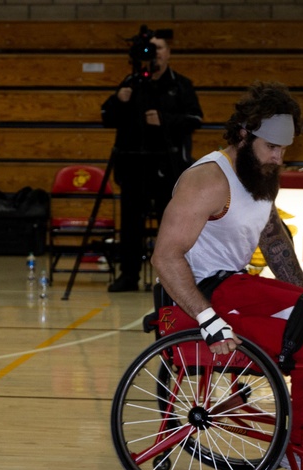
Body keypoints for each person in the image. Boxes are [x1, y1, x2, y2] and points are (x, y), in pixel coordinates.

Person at [152, 81, 303, 470]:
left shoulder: (260, 173)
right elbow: (165, 257)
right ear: (242, 133)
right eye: (272, 147)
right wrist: (209, 321)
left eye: (284, 149)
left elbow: (273, 239)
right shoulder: (207, 181)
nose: (279, 158)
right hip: (195, 299)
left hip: (231, 286)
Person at [101, 27, 203, 293]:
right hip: (134, 166)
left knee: (169, 226)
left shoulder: (180, 85)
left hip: (168, 167)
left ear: (168, 53)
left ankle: (171, 279)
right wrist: (117, 100)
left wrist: (165, 121)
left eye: (158, 48)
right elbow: (106, 118)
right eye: (149, 48)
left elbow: (196, 119)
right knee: (131, 224)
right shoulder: (131, 83)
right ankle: (128, 275)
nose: (153, 53)